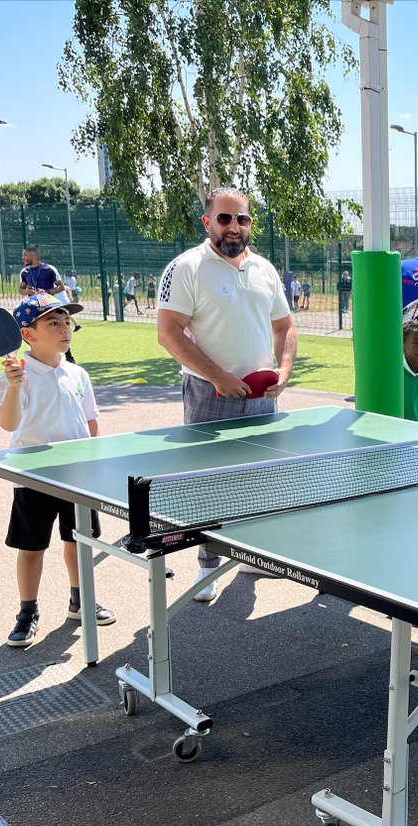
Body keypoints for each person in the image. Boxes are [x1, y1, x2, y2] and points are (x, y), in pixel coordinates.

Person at [156, 187, 298, 602]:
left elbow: (285, 327)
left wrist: (284, 370)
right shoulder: (186, 267)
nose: (234, 227)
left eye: (243, 219)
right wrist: (217, 376)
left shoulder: (265, 270)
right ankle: (207, 568)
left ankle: (252, 554)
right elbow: (168, 333)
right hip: (208, 392)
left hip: (261, 395)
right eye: (225, 218)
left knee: (259, 479)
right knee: (210, 484)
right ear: (207, 221)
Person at [0, 295, 115, 648]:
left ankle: (81, 600)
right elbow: (7, 423)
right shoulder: (17, 374)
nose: (65, 329)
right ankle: (27, 611)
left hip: (77, 474)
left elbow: (91, 422)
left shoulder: (77, 373)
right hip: (35, 476)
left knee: (79, 542)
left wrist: (94, 462)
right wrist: (14, 386)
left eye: (67, 322)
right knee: (31, 547)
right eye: (54, 323)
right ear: (28, 334)